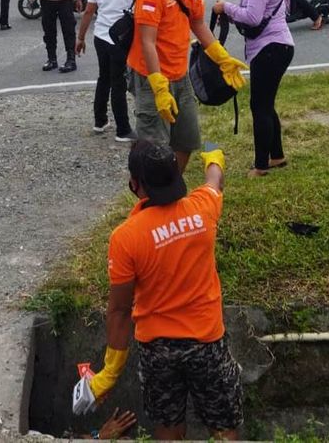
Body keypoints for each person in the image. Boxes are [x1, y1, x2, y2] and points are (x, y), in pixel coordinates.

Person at [87, 140, 243, 440]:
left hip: (158, 350)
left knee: (168, 429)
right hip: (207, 343)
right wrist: (214, 156)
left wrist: (109, 373)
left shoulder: (125, 238)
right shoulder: (203, 208)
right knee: (224, 427)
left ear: (135, 184)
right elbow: (214, 181)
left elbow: (120, 311)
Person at [127, 0, 247, 173]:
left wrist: (221, 57)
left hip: (180, 73)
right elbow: (147, 42)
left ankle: (172, 183)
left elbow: (198, 23)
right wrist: (159, 87)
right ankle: (152, 201)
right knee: (153, 147)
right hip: (150, 76)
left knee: (187, 140)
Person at [214, 0, 294, 177]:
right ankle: (276, 156)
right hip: (272, 48)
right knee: (266, 105)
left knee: (259, 107)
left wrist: (225, 7)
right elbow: (252, 12)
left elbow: (252, 16)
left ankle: (261, 166)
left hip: (272, 49)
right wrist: (230, 14)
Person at [76, 0, 142, 142]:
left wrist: (80, 38)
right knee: (119, 82)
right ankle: (123, 129)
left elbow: (89, 11)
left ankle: (100, 120)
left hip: (100, 37)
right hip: (121, 40)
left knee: (103, 77)